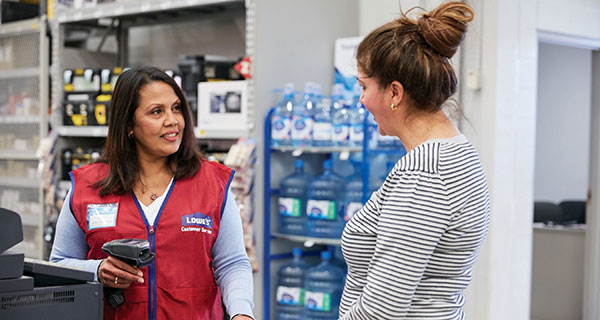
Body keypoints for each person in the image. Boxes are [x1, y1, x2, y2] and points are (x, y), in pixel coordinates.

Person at [50, 66, 254, 320]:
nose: (172, 120)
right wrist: (97, 269)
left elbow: (232, 263)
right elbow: (59, 263)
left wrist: (242, 313)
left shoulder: (213, 182)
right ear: (129, 124)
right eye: (157, 111)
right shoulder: (88, 186)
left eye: (176, 108)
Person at [340, 2, 490, 319]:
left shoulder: (425, 173)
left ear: (395, 93)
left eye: (364, 86)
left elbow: (380, 312)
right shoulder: (456, 151)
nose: (361, 100)